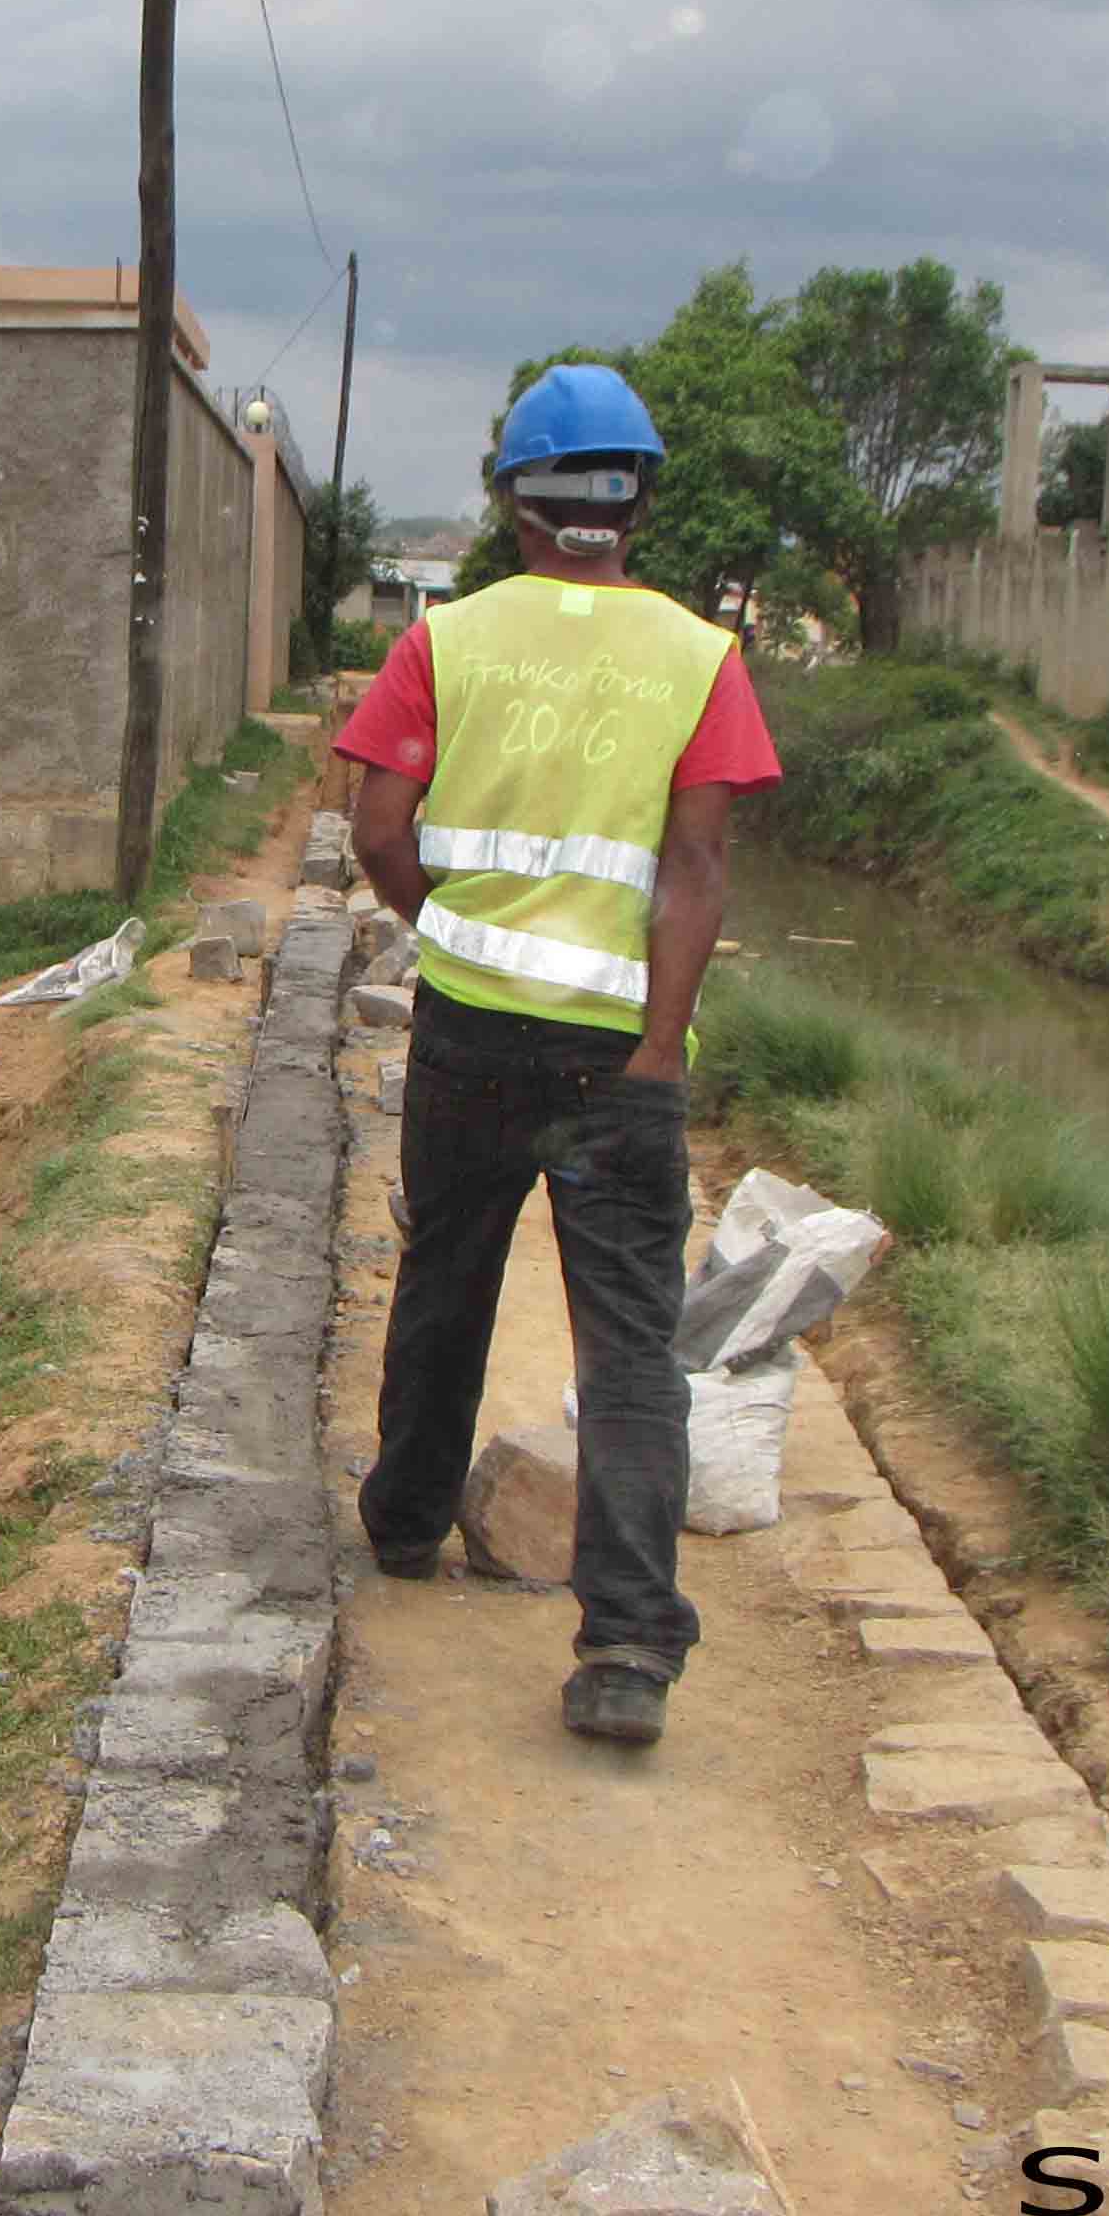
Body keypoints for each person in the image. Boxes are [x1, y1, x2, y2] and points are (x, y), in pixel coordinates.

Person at [331, 364, 782, 1747]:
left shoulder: (446, 644)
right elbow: (696, 867)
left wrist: (448, 932)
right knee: (632, 1343)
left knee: (447, 1274)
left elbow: (377, 827)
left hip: (471, 1034)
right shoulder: (700, 659)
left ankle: (409, 1522)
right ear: (635, 496)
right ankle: (629, 1647)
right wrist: (657, 1051)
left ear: (514, 501)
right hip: (617, 1068)